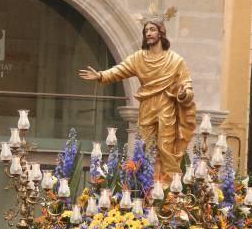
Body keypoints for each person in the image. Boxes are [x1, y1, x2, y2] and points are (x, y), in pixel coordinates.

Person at [78, 17, 196, 175]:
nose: (148, 33)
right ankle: (149, 184)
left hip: (166, 108)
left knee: (165, 147)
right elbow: (119, 70)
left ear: (161, 33)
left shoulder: (175, 60)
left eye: (152, 30)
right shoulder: (139, 58)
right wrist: (100, 75)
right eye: (146, 30)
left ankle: (169, 188)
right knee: (148, 148)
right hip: (147, 108)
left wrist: (184, 94)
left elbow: (186, 85)